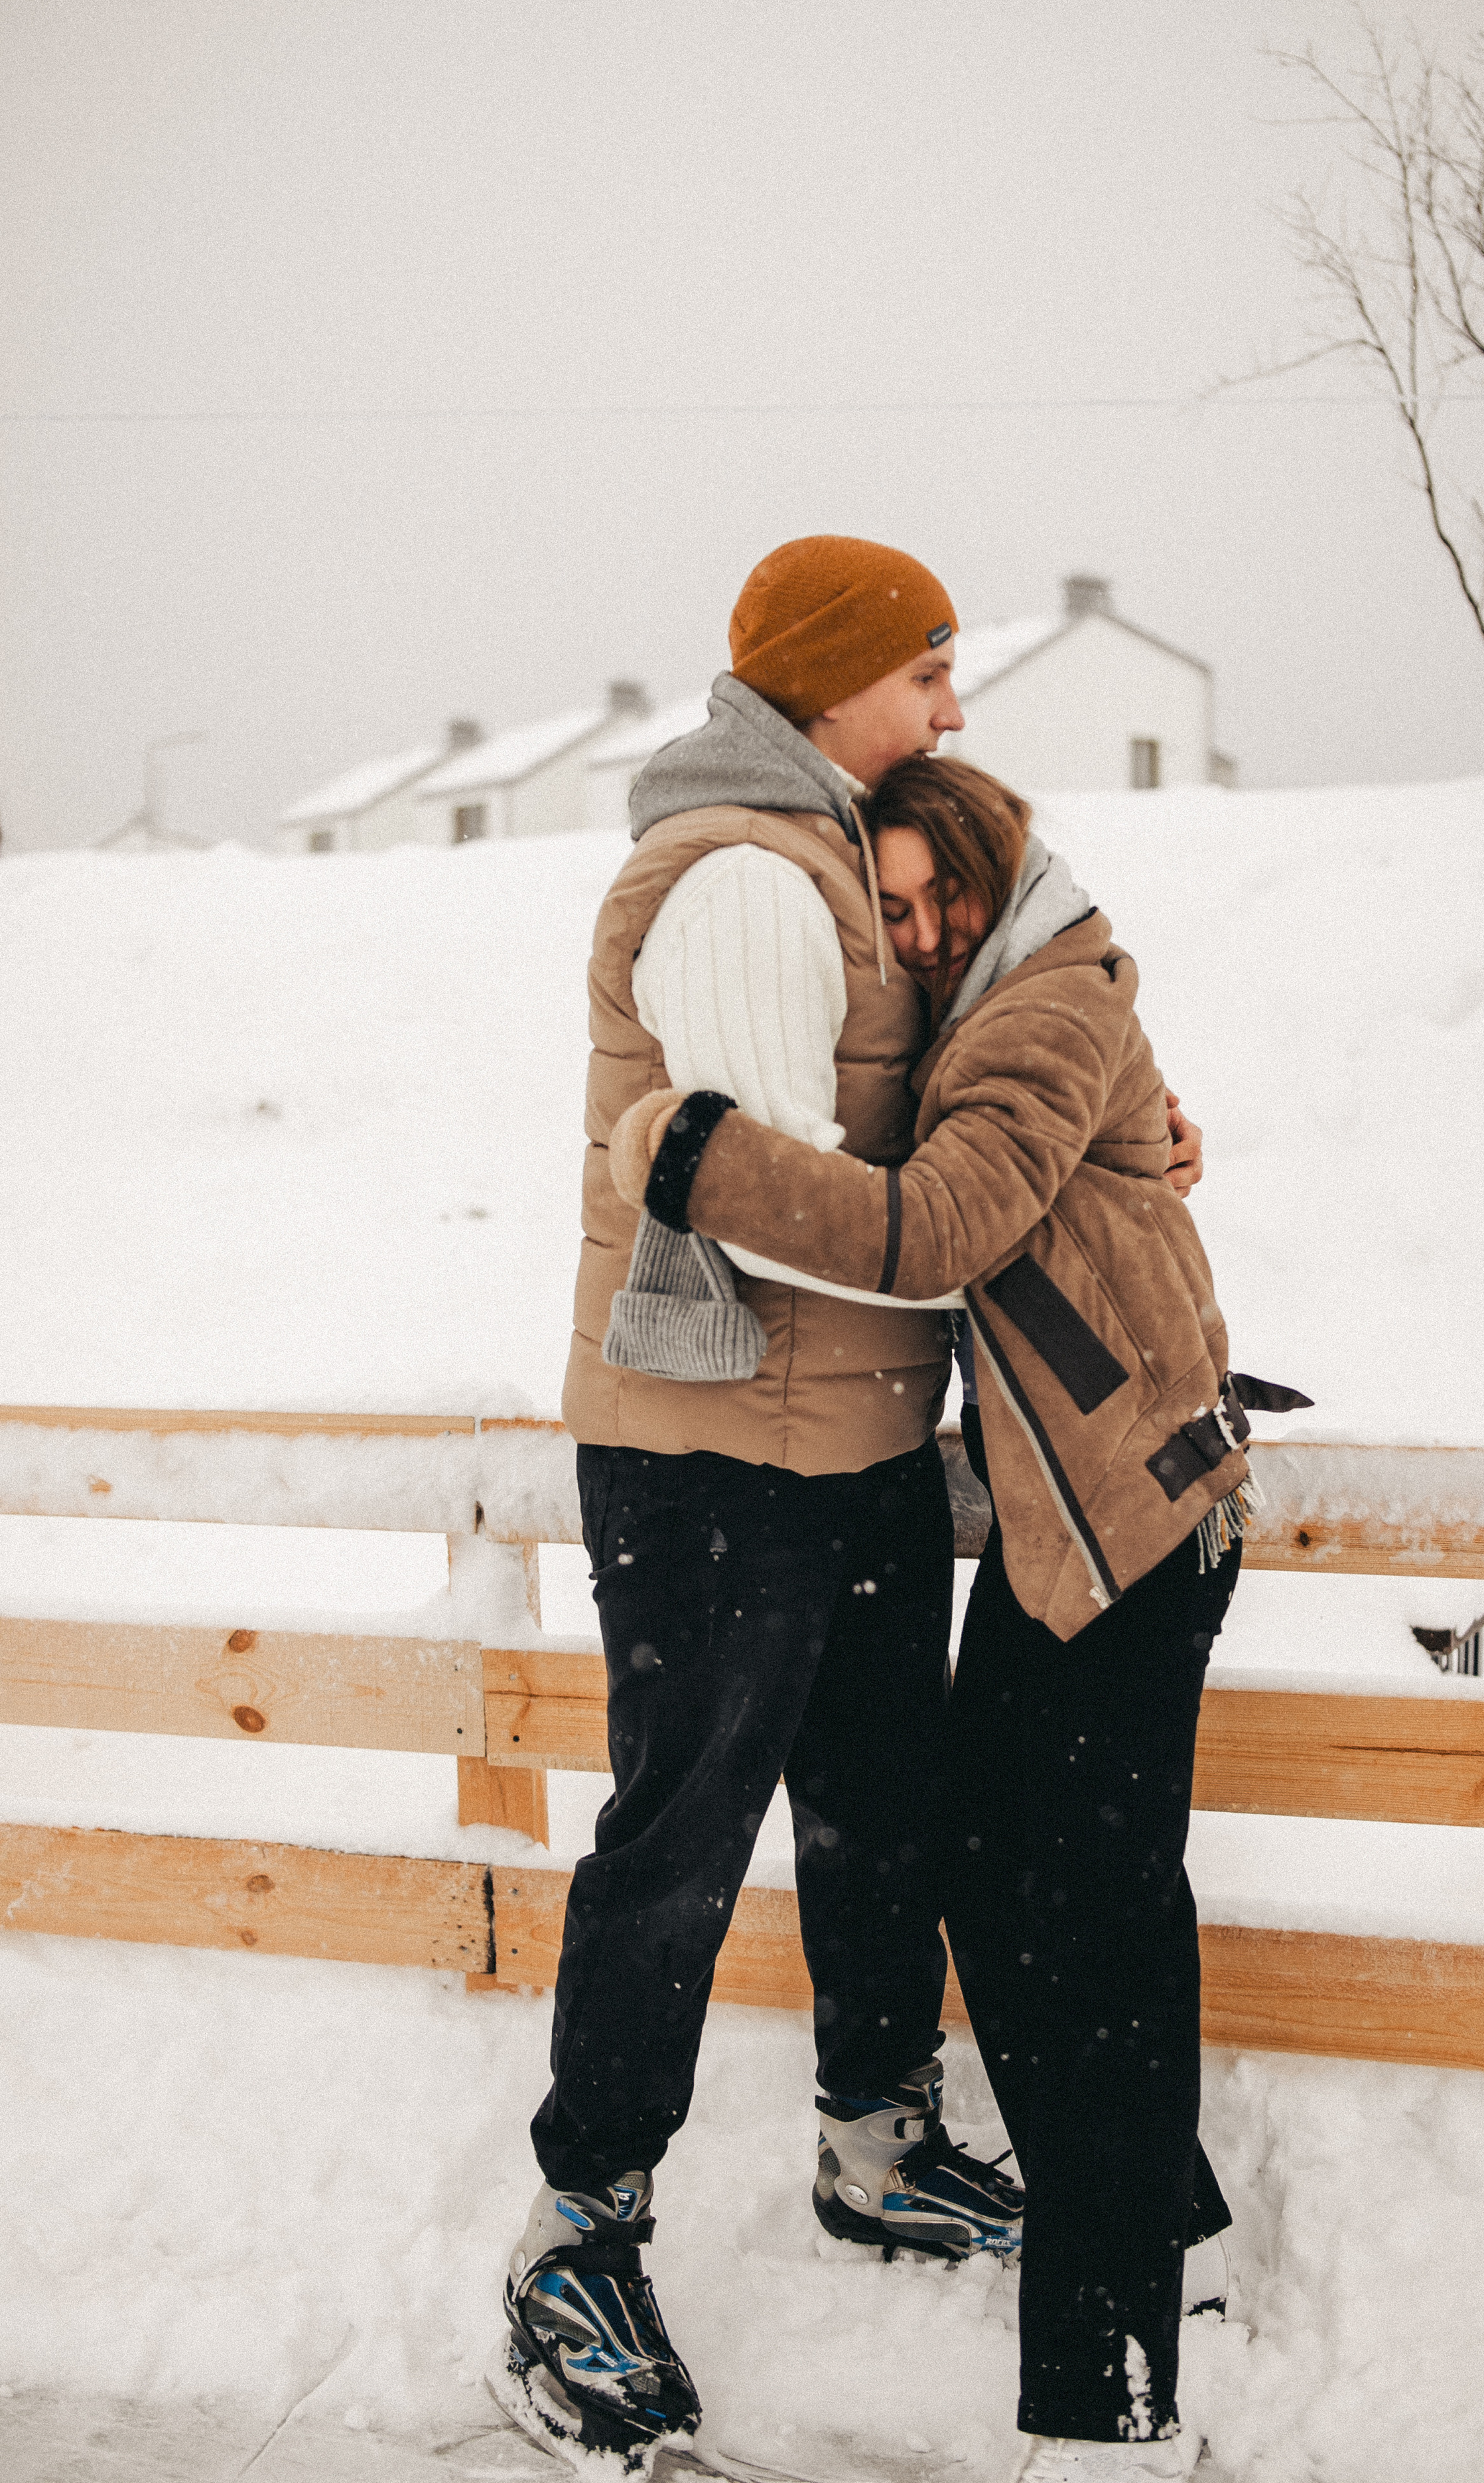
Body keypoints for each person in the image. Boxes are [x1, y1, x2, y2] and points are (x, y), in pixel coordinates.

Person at [608, 754, 1298, 2482]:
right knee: (1046, 1893)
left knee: (1078, 1925)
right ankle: (1164, 2244)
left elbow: (937, 1230)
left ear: (1000, 872)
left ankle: (1110, 2382)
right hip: (1104, 1521)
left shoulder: (1036, 1009)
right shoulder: (1022, 1002)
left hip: (1135, 1532)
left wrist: (686, 1152)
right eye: (891, 909)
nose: (918, 933)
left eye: (941, 899)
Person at [492, 539, 1030, 2477]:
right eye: (929, 670)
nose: (954, 708)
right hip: (719, 1448)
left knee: (887, 1805)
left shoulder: (825, 852)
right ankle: (577, 2240)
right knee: (682, 1839)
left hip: (854, 1444)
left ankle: (876, 2145)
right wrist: (996, 1223)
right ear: (829, 684)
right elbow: (759, 1193)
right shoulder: (742, 873)